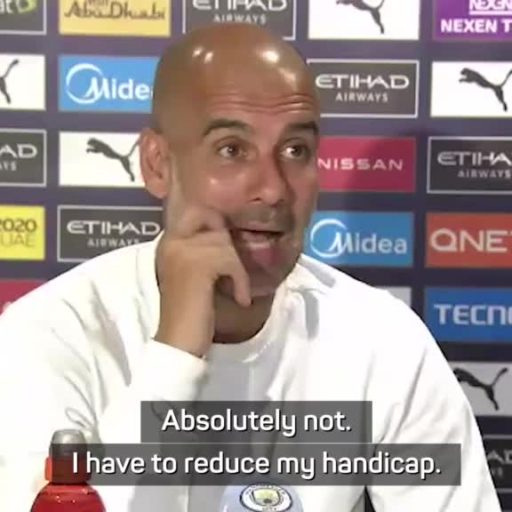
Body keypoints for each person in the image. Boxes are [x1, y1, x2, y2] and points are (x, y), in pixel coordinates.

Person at [0, 23, 501, 512]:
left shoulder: (384, 340)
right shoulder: (47, 335)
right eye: (232, 150)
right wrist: (175, 355)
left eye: (296, 150)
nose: (273, 188)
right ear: (157, 163)